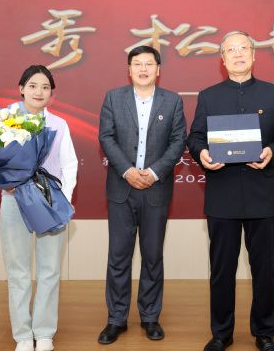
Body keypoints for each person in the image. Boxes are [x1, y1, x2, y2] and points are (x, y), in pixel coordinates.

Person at [186, 31, 274, 351]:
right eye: (231, 50)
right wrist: (202, 154)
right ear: (222, 59)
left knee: (264, 269)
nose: (237, 54)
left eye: (243, 48)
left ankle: (265, 333)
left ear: (254, 54)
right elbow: (195, 138)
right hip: (222, 194)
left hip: (264, 194)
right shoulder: (208, 96)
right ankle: (221, 333)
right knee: (222, 270)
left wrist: (272, 152)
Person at [97, 45, 187, 344]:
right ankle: (116, 319)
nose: (143, 69)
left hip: (156, 189)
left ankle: (150, 316)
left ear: (158, 69)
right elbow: (106, 137)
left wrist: (154, 172)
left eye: (149, 64)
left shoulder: (172, 101)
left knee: (152, 256)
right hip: (121, 189)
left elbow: (178, 141)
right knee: (118, 257)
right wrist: (127, 171)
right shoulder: (114, 97)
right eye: (137, 64)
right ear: (129, 69)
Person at [0, 65, 78, 351]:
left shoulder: (58, 124)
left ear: (51, 93)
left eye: (45, 87)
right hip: (13, 202)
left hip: (50, 203)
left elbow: (70, 164)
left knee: (49, 270)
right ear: (21, 88)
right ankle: (23, 335)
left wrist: (63, 200)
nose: (39, 92)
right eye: (33, 86)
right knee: (18, 270)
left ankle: (44, 333)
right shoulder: (5, 121)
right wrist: (2, 181)